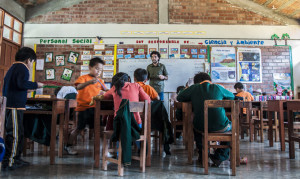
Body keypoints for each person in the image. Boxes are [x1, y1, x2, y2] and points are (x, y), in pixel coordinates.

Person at [177, 72, 235, 167]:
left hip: (200, 127)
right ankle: (219, 156)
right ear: (209, 80)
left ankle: (203, 154)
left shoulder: (193, 88)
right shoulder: (218, 88)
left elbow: (180, 97)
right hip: (222, 127)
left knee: (196, 128)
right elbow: (232, 97)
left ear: (196, 82)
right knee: (232, 129)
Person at [2, 47, 44, 171]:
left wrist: (28, 88)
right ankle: (10, 161)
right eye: (32, 62)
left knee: (18, 132)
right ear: (28, 60)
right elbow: (21, 83)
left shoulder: (13, 67)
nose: (31, 65)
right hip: (14, 106)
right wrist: (36, 85)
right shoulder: (22, 67)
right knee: (14, 134)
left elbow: (17, 85)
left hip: (12, 105)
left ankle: (17, 158)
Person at [65, 57, 107, 155]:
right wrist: (89, 82)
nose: (98, 71)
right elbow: (78, 87)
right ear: (90, 67)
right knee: (79, 128)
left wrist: (107, 91)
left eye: (100, 70)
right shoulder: (83, 78)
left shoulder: (100, 81)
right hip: (83, 108)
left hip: (95, 109)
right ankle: (68, 146)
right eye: (97, 68)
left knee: (100, 129)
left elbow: (105, 91)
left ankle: (104, 150)